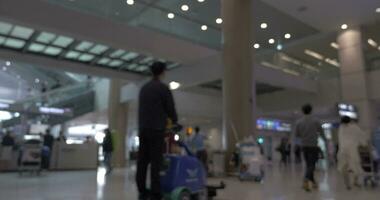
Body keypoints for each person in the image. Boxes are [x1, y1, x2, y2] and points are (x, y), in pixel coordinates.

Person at [136, 62, 178, 200]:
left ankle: (142, 189)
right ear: (162, 72)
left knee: (142, 160)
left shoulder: (144, 88)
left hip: (143, 129)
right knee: (155, 161)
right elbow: (170, 107)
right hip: (156, 129)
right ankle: (155, 192)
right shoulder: (163, 88)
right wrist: (175, 120)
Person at [295, 104, 326, 191]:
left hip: (304, 146)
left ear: (302, 111)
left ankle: (313, 182)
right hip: (313, 146)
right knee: (312, 165)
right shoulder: (315, 121)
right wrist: (325, 140)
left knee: (309, 165)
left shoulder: (299, 122)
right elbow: (321, 132)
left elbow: (297, 135)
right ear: (311, 110)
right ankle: (306, 179)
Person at [337, 116, 367, 190]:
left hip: (342, 151)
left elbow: (340, 139)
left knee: (344, 168)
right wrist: (364, 144)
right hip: (352, 150)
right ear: (350, 120)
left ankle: (347, 185)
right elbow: (362, 136)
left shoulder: (341, 128)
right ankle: (355, 181)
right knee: (356, 166)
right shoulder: (354, 127)